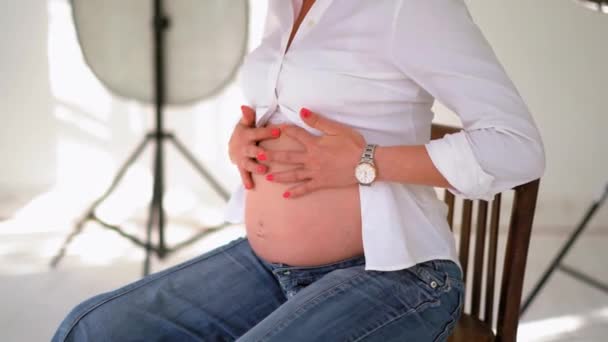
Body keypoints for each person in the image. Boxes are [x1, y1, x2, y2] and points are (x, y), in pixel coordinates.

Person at [52, 0, 545, 341]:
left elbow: (516, 148)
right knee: (92, 329)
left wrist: (365, 162)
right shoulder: (285, 5)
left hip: (396, 274)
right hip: (272, 266)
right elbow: (302, 104)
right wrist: (246, 141)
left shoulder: (410, 6)